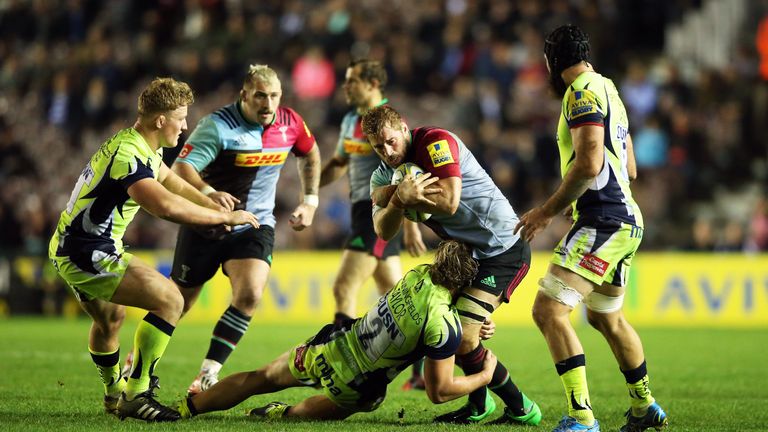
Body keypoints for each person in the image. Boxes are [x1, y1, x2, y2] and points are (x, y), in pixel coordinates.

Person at [48, 77, 259, 422]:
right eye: (181, 118)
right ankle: (136, 393)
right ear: (161, 120)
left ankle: (114, 393)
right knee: (171, 300)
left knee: (111, 320)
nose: (186, 125)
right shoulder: (129, 155)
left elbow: (170, 180)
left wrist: (209, 199)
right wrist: (224, 218)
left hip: (71, 245)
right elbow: (164, 206)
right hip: (87, 253)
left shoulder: (140, 144)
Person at [514, 24, 668, 432]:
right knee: (607, 319)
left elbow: (588, 163)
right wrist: (583, 196)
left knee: (549, 311)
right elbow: (628, 167)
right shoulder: (609, 90)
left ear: (551, 62)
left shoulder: (579, 92)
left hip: (605, 219)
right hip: (625, 217)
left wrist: (547, 210)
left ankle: (581, 417)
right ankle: (644, 406)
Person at [177, 240, 497, 421]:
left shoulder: (419, 274)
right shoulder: (443, 325)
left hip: (330, 344)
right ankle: (283, 414)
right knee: (345, 405)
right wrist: (484, 376)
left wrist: (467, 325)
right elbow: (438, 392)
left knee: (258, 378)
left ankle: (188, 407)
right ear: (466, 284)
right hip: (354, 384)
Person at [362, 105, 542, 426]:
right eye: (378, 146)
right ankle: (484, 406)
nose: (387, 152)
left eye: (390, 141)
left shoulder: (435, 142)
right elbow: (383, 230)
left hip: (504, 247)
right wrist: (399, 198)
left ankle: (520, 408)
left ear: (404, 128)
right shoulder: (381, 173)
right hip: (469, 255)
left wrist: (392, 194)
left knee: (463, 336)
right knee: (455, 331)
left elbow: (449, 202)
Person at [169, 64, 321, 396]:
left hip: (254, 223)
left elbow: (310, 155)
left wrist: (310, 200)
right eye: (260, 96)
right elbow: (181, 169)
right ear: (244, 95)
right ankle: (137, 364)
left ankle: (207, 374)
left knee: (250, 293)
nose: (268, 104)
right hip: (206, 224)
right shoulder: (217, 126)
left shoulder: (290, 123)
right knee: (176, 304)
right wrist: (210, 194)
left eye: (275, 96)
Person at [319, 59, 427, 389]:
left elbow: (407, 167)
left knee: (343, 288)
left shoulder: (387, 122)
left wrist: (409, 224)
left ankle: (342, 369)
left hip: (377, 214)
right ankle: (420, 373)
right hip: (358, 211)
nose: (345, 86)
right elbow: (339, 161)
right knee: (396, 300)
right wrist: (310, 192)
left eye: (351, 81)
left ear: (372, 84)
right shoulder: (352, 120)